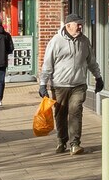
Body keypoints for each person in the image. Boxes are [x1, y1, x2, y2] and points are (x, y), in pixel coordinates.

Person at [38, 16, 102, 155]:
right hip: (60, 85)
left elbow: (91, 61)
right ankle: (61, 141)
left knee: (75, 111)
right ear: (68, 26)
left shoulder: (84, 41)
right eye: (78, 25)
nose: (80, 27)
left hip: (79, 85)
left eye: (81, 25)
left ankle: (75, 144)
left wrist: (98, 77)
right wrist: (43, 84)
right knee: (61, 114)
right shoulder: (56, 41)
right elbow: (47, 65)